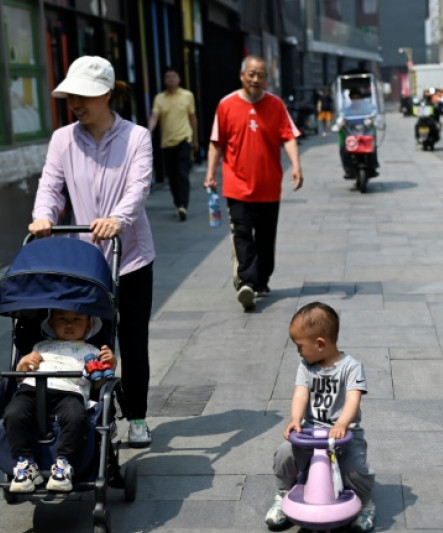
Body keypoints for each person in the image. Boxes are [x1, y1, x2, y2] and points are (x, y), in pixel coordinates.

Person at [29, 55, 156, 448]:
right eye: (71, 97)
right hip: (86, 263)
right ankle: (95, 411)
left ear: (105, 94)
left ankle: (136, 415)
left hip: (131, 257)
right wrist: (42, 218)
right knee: (87, 340)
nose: (76, 104)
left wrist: (118, 217)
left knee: (132, 341)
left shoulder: (136, 137)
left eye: (83, 96)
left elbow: (139, 187)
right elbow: (50, 188)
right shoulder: (63, 139)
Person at [202, 55, 303, 311]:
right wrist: (210, 173)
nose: (256, 79)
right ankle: (247, 282)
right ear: (242, 75)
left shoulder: (276, 105)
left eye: (261, 75)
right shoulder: (226, 105)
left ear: (266, 79)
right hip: (237, 186)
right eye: (252, 74)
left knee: (266, 239)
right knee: (243, 234)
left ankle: (262, 279)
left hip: (269, 186)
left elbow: (288, 137)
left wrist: (297, 166)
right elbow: (216, 142)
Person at [265, 302, 376, 532]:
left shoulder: (352, 367)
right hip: (310, 433)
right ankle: (283, 494)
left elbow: (353, 400)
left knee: (356, 467)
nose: (299, 352)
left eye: (300, 346)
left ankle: (365, 505)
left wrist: (342, 424)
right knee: (284, 454)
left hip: (344, 434)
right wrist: (295, 419)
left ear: (319, 344)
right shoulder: (306, 367)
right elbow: (300, 394)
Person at [4, 309, 117, 493]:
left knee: (76, 416)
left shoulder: (92, 351)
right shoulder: (40, 346)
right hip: (32, 389)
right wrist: (23, 364)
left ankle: (63, 463)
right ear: (51, 323)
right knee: (13, 413)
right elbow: (21, 376)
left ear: (89, 324)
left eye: (76, 319)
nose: (69, 324)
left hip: (69, 392)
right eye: (62, 319)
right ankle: (25, 463)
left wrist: (110, 365)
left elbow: (99, 386)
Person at [148, 67, 199, 221]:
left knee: (182, 174)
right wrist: (148, 131)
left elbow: (193, 118)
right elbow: (154, 117)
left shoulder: (187, 96)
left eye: (173, 76)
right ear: (164, 80)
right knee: (172, 177)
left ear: (179, 79)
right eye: (167, 76)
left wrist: (195, 139)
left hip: (184, 139)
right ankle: (178, 204)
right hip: (166, 143)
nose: (170, 79)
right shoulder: (159, 99)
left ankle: (183, 205)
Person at [339, 88, 380, 179]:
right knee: (343, 149)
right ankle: (348, 170)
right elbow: (343, 119)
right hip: (352, 135)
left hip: (364, 133)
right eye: (354, 98)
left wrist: (372, 120)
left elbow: (372, 116)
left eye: (358, 98)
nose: (356, 100)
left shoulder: (366, 108)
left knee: (373, 146)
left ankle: (373, 167)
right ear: (350, 98)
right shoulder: (347, 110)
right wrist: (341, 123)